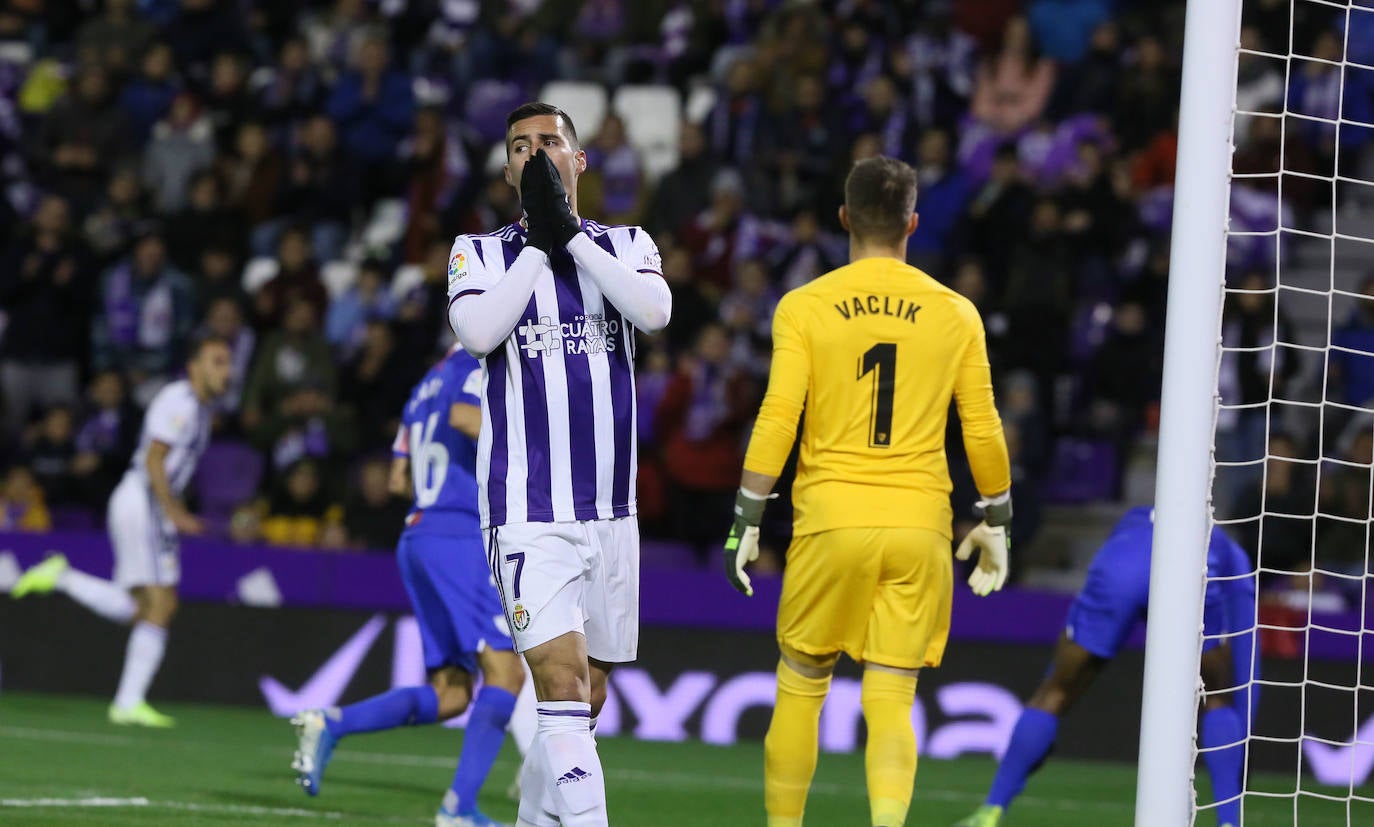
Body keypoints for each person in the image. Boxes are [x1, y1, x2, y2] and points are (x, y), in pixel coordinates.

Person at [724, 155, 1013, 827]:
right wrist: (996, 517)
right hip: (919, 527)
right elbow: (983, 427)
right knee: (891, 696)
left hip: (831, 520)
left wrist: (746, 518)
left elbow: (777, 418)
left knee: (800, 685)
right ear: (913, 222)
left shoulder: (805, 306)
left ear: (844, 219)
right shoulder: (956, 312)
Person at [446, 102, 671, 827]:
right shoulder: (477, 254)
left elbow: (655, 312)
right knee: (559, 680)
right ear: (509, 169)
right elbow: (479, 330)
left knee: (588, 693)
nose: (535, 152)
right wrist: (542, 245)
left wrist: (570, 237)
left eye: (550, 142)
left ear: (580, 160)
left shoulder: (629, 243)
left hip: (611, 511)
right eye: (520, 146)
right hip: (525, 507)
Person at [292, 345, 532, 826]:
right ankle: (458, 808)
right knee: (507, 672)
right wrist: (530, 447)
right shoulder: (475, 366)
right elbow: (467, 417)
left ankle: (331, 725)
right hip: (458, 533)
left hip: (418, 534)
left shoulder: (421, 389)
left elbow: (399, 478)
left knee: (452, 694)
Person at [955, 508, 1257, 827]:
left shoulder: (1132, 520)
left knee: (1055, 690)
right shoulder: (1228, 549)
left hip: (1120, 565)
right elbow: (1248, 667)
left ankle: (990, 810)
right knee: (1219, 697)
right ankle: (1229, 823)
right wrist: (1243, 757)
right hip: (1193, 565)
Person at [11, 335, 232, 727]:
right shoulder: (179, 401)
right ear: (194, 365)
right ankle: (128, 703)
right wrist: (173, 511)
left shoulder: (199, 410)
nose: (225, 371)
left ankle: (63, 577)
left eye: (228, 362)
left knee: (143, 609)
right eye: (216, 361)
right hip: (144, 501)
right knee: (160, 604)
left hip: (147, 504)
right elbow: (154, 457)